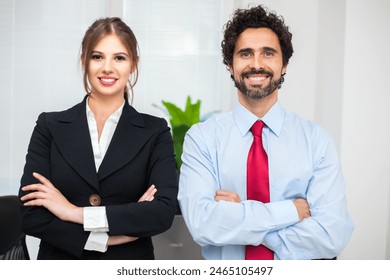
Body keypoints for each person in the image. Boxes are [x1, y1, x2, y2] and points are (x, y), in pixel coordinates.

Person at [178, 5, 354, 260]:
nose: (257, 64)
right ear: (230, 65)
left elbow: (330, 236)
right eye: (245, 54)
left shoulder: (316, 141)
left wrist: (241, 216)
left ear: (284, 65)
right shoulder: (202, 139)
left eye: (268, 53)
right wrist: (290, 211)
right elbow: (203, 224)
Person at [18, 17, 178, 260]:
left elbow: (162, 213)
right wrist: (104, 239)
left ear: (133, 64)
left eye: (119, 58)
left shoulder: (155, 131)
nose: (107, 68)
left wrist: (72, 212)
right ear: (84, 60)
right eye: (97, 57)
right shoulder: (49, 126)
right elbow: (31, 215)